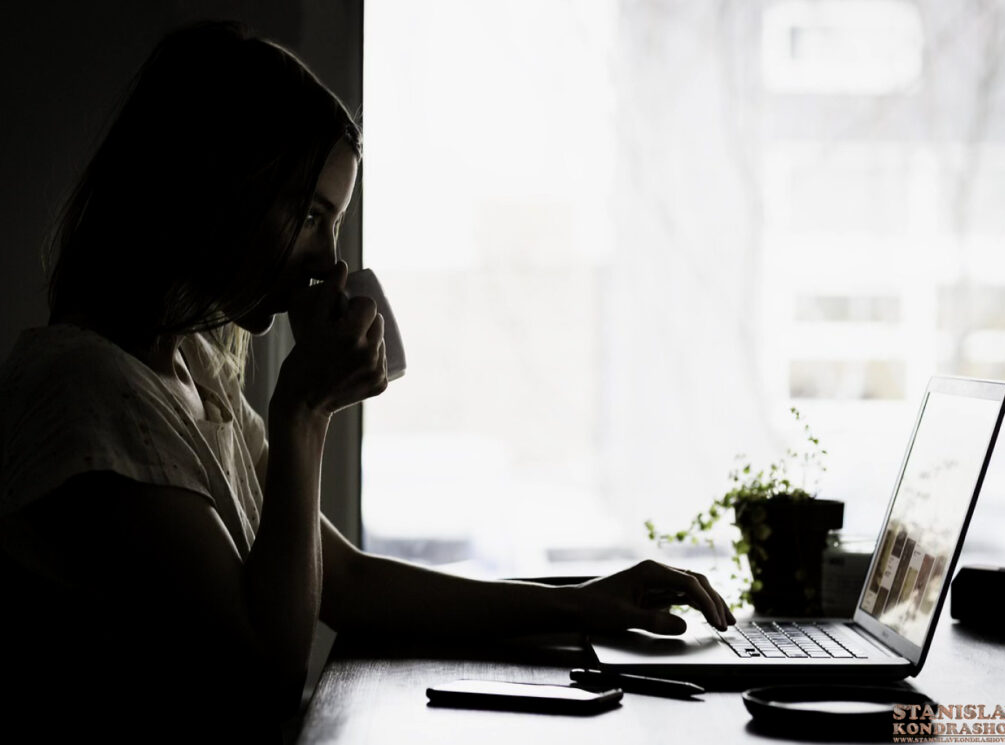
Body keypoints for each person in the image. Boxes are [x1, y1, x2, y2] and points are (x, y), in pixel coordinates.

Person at [0, 20, 734, 743]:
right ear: (218, 188)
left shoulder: (191, 371)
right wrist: (303, 414)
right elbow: (262, 673)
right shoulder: (85, 391)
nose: (329, 261)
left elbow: (343, 581)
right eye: (312, 215)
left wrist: (583, 601)